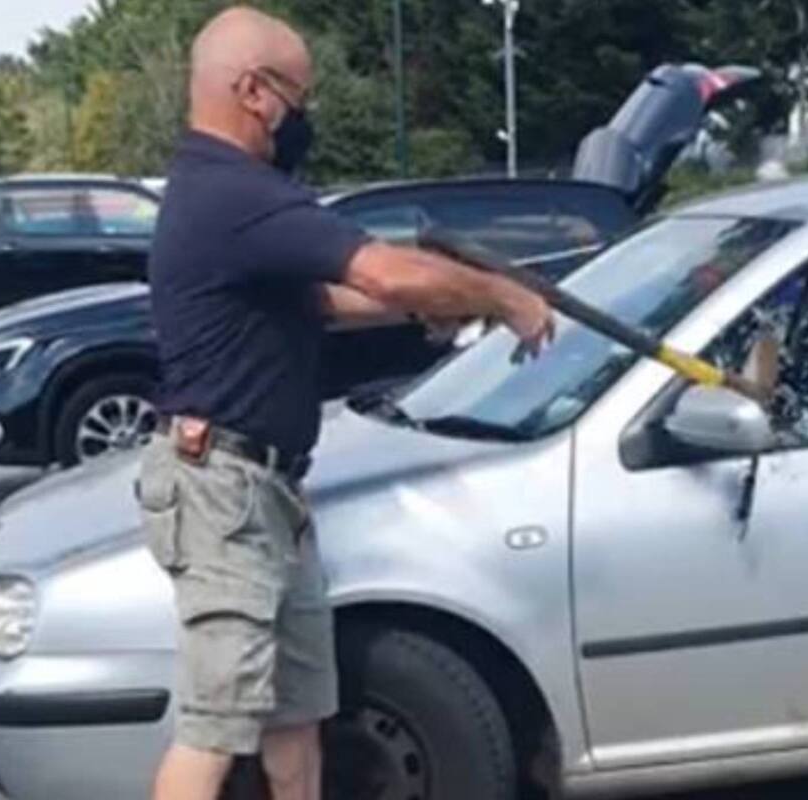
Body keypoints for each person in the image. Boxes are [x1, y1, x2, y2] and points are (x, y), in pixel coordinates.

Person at [139, 7, 554, 800]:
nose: (308, 117)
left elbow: (330, 301)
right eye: (303, 96)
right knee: (217, 726)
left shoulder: (232, 197)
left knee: (296, 719)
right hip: (220, 491)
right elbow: (382, 273)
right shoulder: (232, 191)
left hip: (267, 491)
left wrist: (444, 302)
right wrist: (501, 296)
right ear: (255, 92)